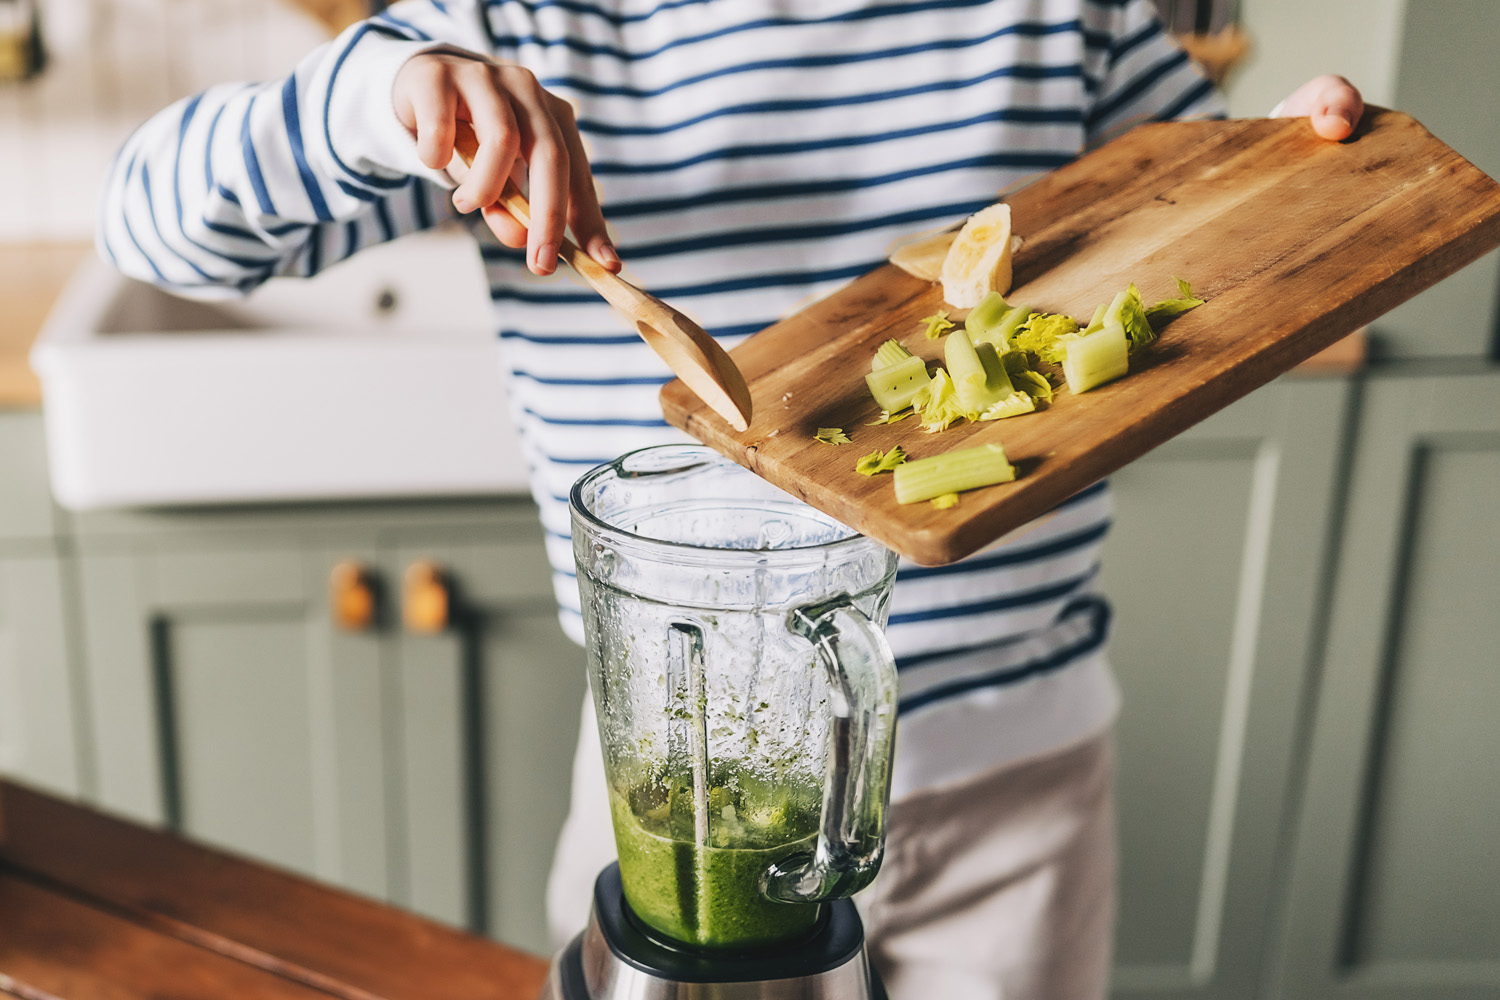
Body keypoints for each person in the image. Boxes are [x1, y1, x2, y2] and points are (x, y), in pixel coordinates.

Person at [98, 2, 1362, 995]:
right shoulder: (520, 27)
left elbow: (1198, 200)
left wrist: (1297, 158)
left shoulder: (1054, 12)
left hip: (1017, 797)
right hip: (670, 803)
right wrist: (373, 103)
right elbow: (149, 224)